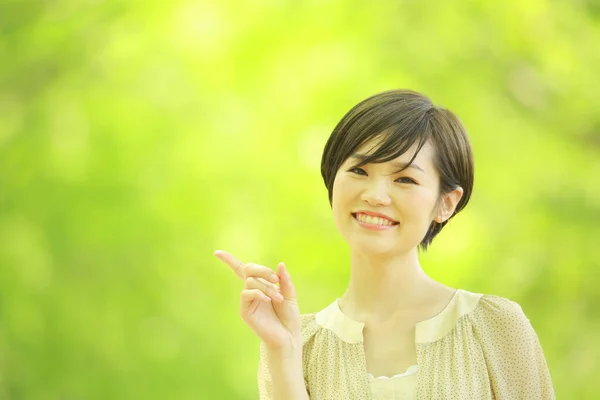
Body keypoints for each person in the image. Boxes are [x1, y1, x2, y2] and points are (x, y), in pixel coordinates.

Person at [215, 89, 555, 399]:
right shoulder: (298, 342)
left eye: (404, 179)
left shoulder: (495, 328)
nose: (375, 196)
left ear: (446, 203)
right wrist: (283, 352)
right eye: (359, 170)